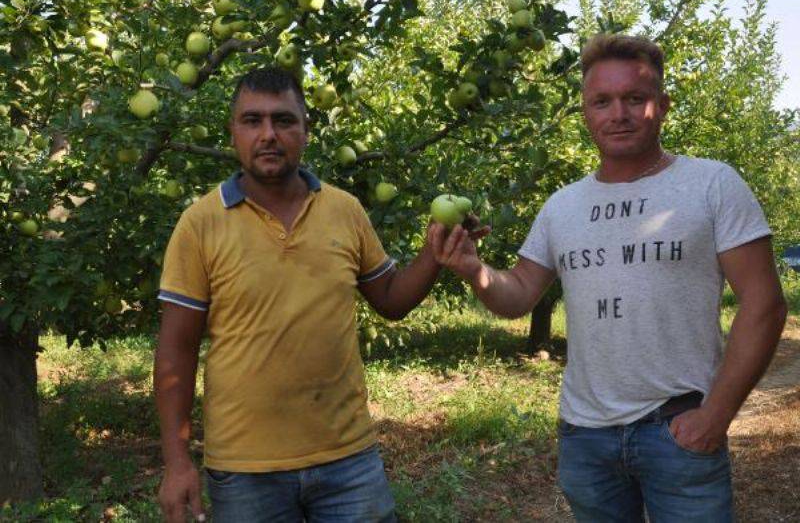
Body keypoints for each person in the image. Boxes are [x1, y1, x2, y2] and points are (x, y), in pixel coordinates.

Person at [431, 33, 787, 522]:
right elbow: (518, 294)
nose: (617, 113)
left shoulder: (712, 185)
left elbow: (764, 305)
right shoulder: (562, 206)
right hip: (584, 437)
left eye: (634, 99)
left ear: (662, 106)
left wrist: (716, 415)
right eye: (602, 101)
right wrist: (474, 270)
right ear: (586, 112)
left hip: (677, 427)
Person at [154, 67, 481, 523]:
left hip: (348, 460)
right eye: (253, 121)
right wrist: (177, 463)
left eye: (284, 120)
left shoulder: (343, 210)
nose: (269, 134)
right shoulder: (200, 223)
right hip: (246, 470)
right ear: (234, 132)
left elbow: (389, 298)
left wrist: (435, 253)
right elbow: (176, 350)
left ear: (305, 130)